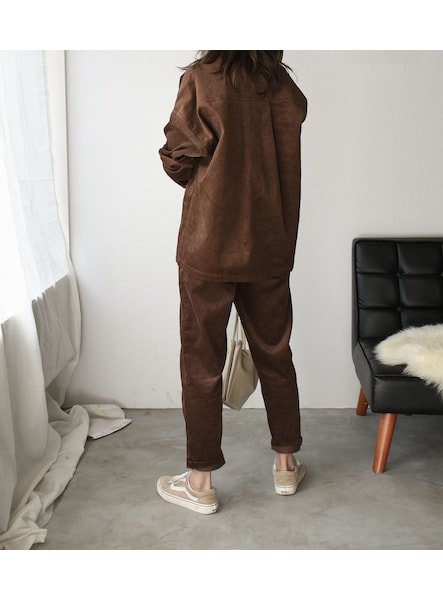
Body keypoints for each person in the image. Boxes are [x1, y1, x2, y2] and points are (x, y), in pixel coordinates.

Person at [157, 51, 307, 514]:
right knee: (275, 353)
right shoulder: (280, 84)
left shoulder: (202, 78)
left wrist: (211, 174)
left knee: (201, 362)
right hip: (269, 242)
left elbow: (177, 158)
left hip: (209, 243)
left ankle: (200, 483)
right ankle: (286, 465)